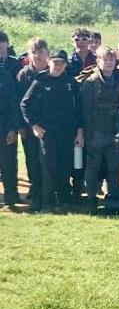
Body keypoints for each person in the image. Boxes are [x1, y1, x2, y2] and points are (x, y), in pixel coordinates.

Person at [21, 50, 85, 213]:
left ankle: (64, 201)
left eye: (61, 63)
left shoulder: (70, 81)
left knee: (65, 168)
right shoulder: (40, 81)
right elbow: (25, 104)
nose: (58, 66)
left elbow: (79, 108)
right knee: (49, 168)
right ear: (49, 62)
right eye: (55, 62)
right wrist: (34, 126)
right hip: (47, 133)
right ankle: (47, 203)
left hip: (67, 132)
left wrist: (80, 131)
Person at [79, 46, 119, 213]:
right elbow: (85, 110)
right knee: (93, 167)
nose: (109, 63)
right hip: (96, 130)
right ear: (98, 61)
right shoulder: (90, 82)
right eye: (105, 59)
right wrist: (86, 133)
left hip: (116, 130)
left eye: (111, 59)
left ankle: (113, 199)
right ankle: (91, 199)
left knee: (115, 166)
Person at [16, 37, 49, 209]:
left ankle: (49, 193)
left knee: (49, 160)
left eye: (41, 52)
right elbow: (18, 102)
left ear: (47, 53)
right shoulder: (24, 74)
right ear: (28, 55)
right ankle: (36, 194)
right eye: (33, 52)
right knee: (32, 161)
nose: (37, 55)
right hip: (29, 126)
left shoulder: (54, 71)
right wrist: (21, 126)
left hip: (50, 126)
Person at [0, 52, 19, 209]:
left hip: (5, 128)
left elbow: (14, 105)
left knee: (8, 165)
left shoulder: (6, 78)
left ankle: (10, 198)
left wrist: (13, 129)